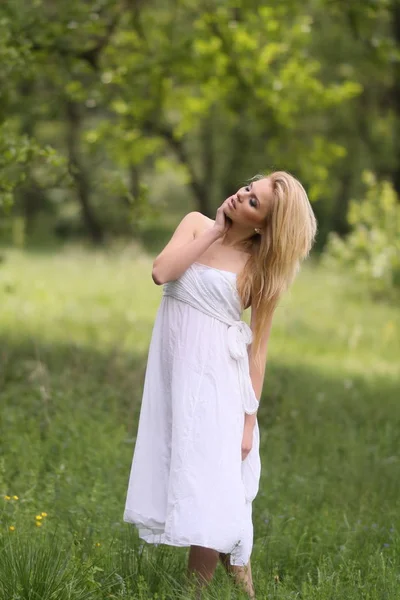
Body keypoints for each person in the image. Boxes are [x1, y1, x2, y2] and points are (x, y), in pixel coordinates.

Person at [123, 171, 317, 598]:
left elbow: (258, 352)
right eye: (249, 188)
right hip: (176, 375)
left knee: (207, 485)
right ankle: (243, 589)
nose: (242, 196)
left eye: (253, 203)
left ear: (265, 225)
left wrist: (249, 421)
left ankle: (197, 593)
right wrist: (214, 230)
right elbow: (161, 272)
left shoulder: (260, 271)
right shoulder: (196, 223)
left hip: (218, 384)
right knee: (199, 480)